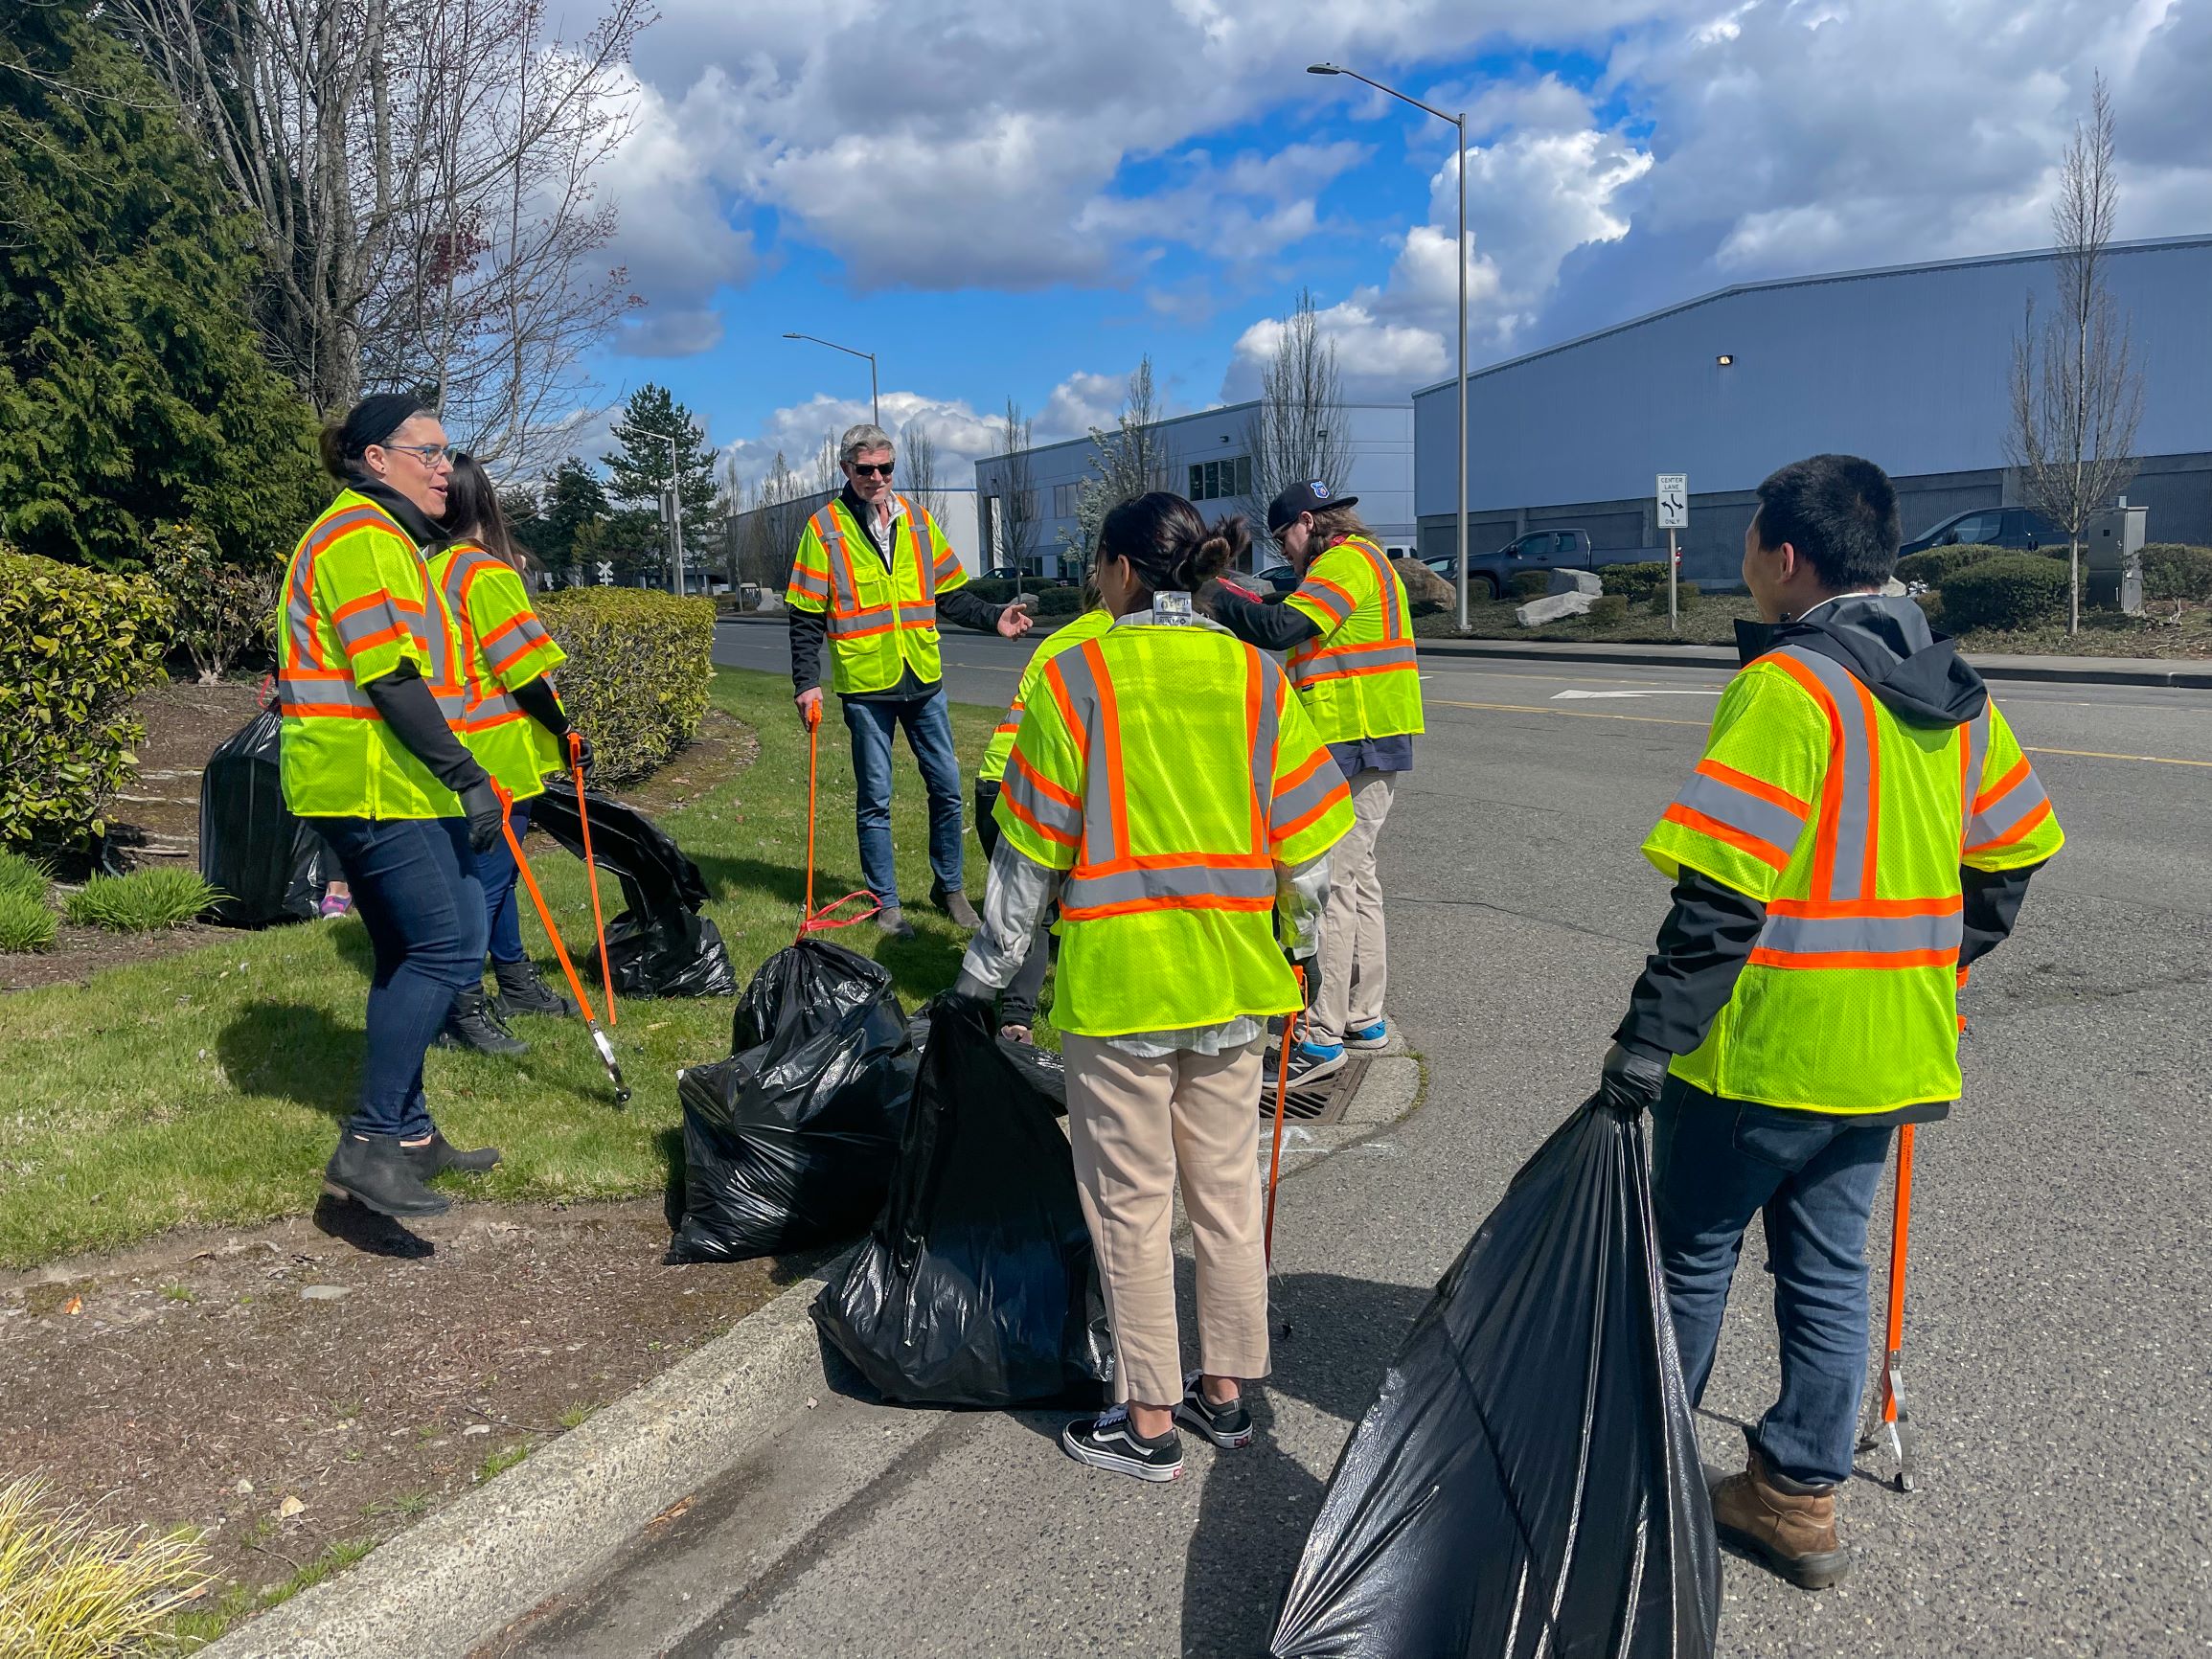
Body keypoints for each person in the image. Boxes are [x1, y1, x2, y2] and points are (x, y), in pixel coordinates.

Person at [1589, 455, 2064, 1587]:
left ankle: (1633, 1475)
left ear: (1784, 557)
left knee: (1690, 1258)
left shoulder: (1791, 688)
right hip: (1891, 1045)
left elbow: (1718, 895)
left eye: (1751, 541)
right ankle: (1796, 1496)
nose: (1747, 562)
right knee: (1825, 1267)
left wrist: (1644, 1040)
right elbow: (2010, 856)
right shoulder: (1953, 689)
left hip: (1762, 1052)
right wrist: (1925, 964)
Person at [954, 493, 1354, 1483]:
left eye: (1097, 563)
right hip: (1230, 985)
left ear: (1120, 569)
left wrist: (983, 976)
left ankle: (1145, 1421)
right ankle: (1226, 1396)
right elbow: (1315, 854)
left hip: (1121, 995)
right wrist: (1295, 947)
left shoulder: (1077, 674)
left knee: (1130, 1206)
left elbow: (1024, 858)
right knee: (1220, 1193)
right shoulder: (1257, 676)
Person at [278, 395, 505, 1220]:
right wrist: (469, 773)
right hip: (368, 782)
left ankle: (410, 1135)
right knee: (444, 948)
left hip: (382, 780)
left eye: (448, 453)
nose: (446, 468)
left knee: (407, 950)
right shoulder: (362, 537)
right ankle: (370, 1142)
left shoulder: (385, 538)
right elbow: (390, 676)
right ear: (377, 459)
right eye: (430, 452)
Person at [1207, 483, 1422, 1088]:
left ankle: (1323, 1036)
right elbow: (1283, 601)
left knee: (1332, 884)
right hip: (1368, 735)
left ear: (1308, 522)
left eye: (1285, 539)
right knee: (1360, 878)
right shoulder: (1357, 561)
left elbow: (1280, 626)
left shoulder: (1345, 561)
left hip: (1353, 737)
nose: (1286, 552)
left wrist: (1215, 594)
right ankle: (1364, 1016)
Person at [786, 423, 1034, 941]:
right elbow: (805, 615)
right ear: (845, 470)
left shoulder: (918, 522)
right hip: (866, 687)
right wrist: (806, 683)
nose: (876, 478)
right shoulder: (824, 528)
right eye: (865, 469)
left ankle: (948, 889)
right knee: (875, 799)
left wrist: (996, 619)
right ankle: (887, 902)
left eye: (885, 468)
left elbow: (952, 595)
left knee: (946, 789)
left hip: (923, 680)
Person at [429, 453, 594, 1053]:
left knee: (497, 875)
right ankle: (461, 1007)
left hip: (453, 749)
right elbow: (523, 675)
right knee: (488, 883)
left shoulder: (433, 569)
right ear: (485, 504)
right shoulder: (486, 575)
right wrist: (567, 728)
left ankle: (517, 980)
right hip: (497, 752)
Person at [970, 583, 1111, 1042]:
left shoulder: (1061, 637)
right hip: (1039, 788)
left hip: (996, 779)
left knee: (1026, 911)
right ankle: (1061, 1016)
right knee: (1066, 906)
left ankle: (1011, 1019)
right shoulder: (1113, 641)